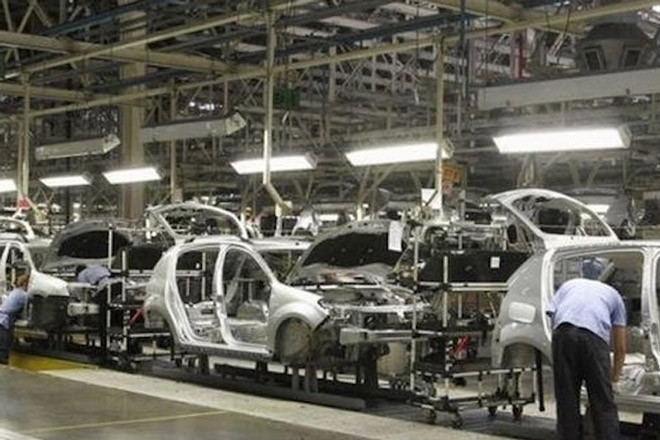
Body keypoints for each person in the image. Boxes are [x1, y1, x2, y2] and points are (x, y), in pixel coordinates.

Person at [547, 258, 627, 440]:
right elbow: (620, 347)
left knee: (567, 401)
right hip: (593, 338)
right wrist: (614, 379)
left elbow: (552, 316)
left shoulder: (569, 285)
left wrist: (561, 349)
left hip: (563, 334)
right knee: (602, 401)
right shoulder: (614, 295)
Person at [0, 262, 30, 364]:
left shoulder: (15, 291)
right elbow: (27, 308)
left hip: (2, 317)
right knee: (4, 344)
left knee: (4, 342)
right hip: (5, 320)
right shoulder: (23, 295)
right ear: (25, 284)